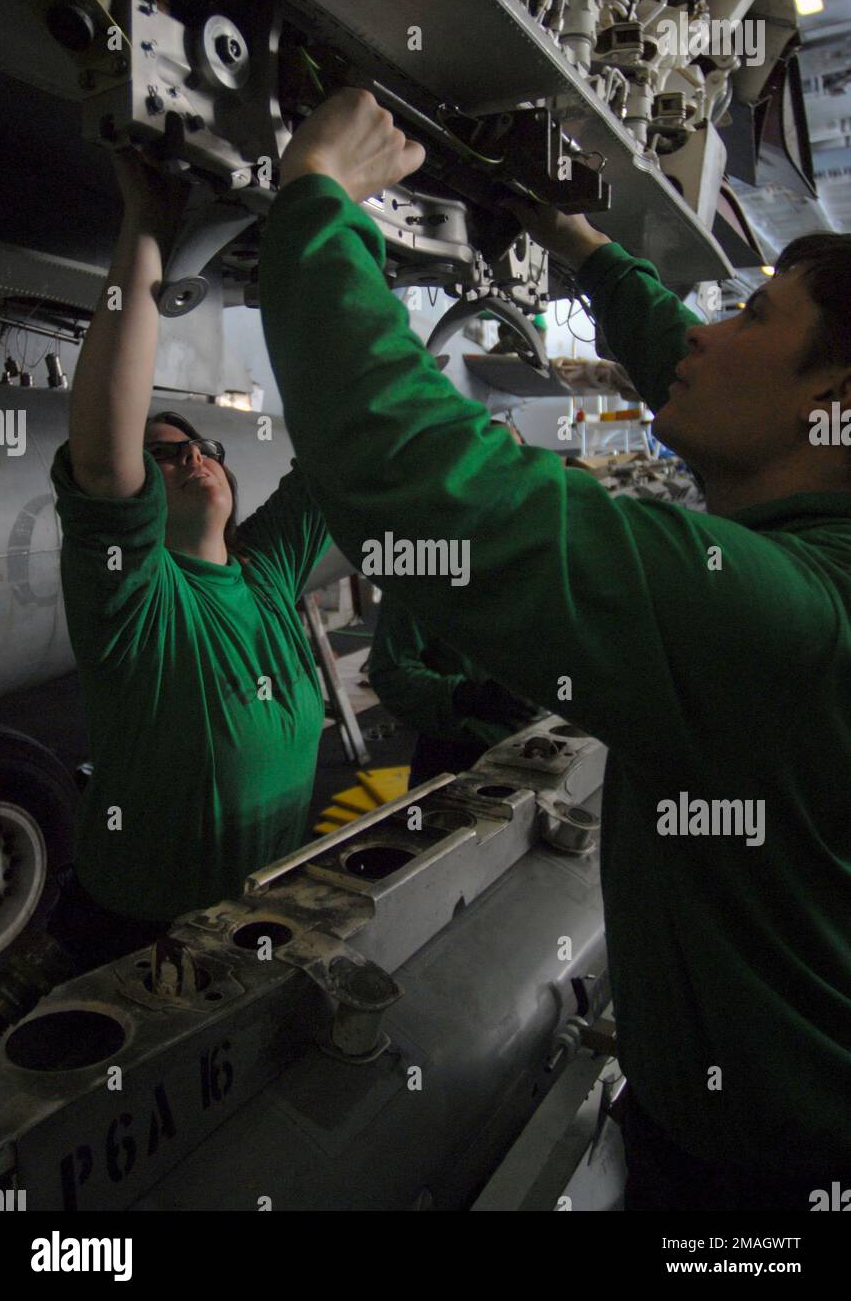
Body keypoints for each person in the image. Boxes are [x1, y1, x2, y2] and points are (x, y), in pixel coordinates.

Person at [255, 88, 851, 1211]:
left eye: (754, 316)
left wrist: (319, 198)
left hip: (753, 1180)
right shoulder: (821, 531)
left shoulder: (781, 616)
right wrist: (578, 244)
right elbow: (698, 362)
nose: (708, 331)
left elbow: (414, 472)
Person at [46, 150, 331, 975]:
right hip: (136, 938)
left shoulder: (268, 576)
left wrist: (308, 250)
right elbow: (103, 463)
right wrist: (147, 224)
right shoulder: (136, 596)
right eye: (164, 458)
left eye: (202, 446)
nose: (193, 457)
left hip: (260, 916)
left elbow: (331, 449)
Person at [368, 422, 542, 786]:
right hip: (458, 757)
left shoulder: (541, 548)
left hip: (542, 747)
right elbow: (391, 671)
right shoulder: (426, 561)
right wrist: (466, 696)